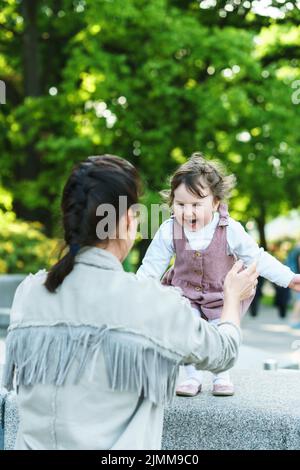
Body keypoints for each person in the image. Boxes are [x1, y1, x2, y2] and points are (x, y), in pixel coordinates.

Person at [2, 155, 258, 450]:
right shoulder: (148, 301)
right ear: (125, 221)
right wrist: (231, 298)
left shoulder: (29, 292)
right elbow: (223, 352)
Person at [137, 153, 300, 397]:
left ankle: (221, 376)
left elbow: (256, 258)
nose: (188, 212)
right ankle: (191, 376)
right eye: (181, 204)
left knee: (219, 329)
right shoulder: (170, 228)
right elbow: (151, 266)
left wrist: (289, 278)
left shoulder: (230, 229)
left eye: (196, 204)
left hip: (222, 295)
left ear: (215, 203)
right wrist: (133, 293)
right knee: (185, 329)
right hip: (185, 293)